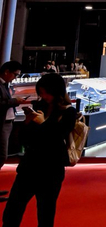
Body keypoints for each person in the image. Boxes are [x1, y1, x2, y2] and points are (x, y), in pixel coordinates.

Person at [2, 73, 77, 227]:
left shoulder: (68, 112)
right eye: (41, 92)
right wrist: (27, 122)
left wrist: (43, 123)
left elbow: (56, 138)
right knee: (12, 211)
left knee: (45, 213)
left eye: (46, 92)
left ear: (56, 91)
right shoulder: (39, 106)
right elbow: (24, 139)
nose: (43, 96)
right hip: (29, 167)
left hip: (51, 170)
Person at [0, 62, 29, 202]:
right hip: (2, 125)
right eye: (15, 74)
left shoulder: (5, 85)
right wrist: (14, 101)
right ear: (6, 71)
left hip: (7, 123)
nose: (15, 78)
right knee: (1, 156)